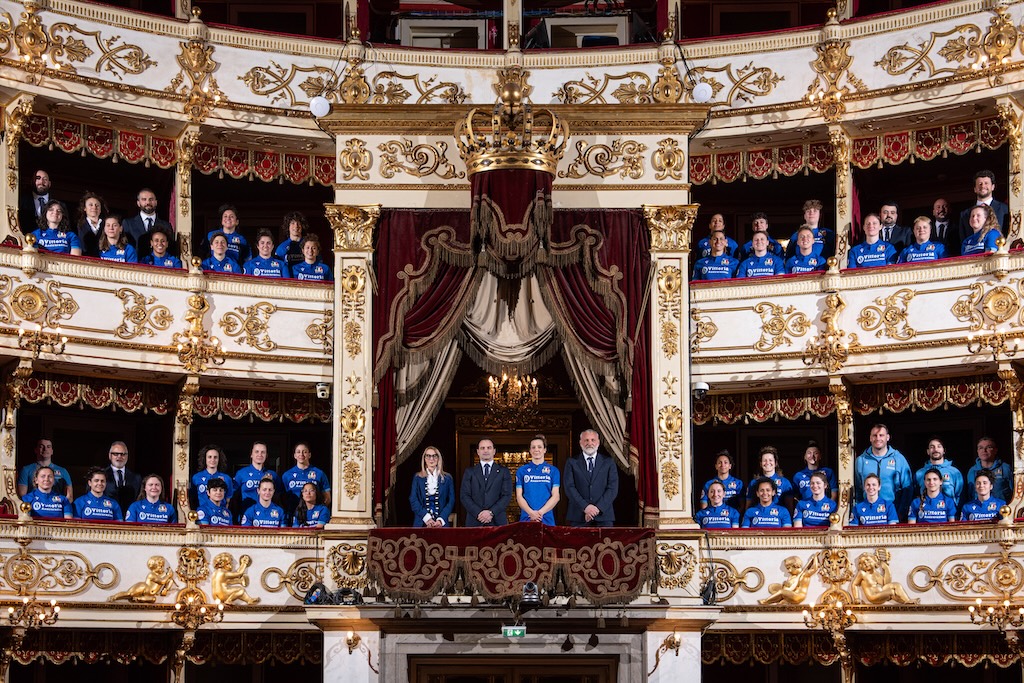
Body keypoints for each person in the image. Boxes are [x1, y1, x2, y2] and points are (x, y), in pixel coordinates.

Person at [854, 423, 913, 519]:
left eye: (881, 435)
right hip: (867, 514)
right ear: (870, 438)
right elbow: (858, 488)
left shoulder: (898, 459)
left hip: (892, 511)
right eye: (874, 435)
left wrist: (901, 512)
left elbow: (908, 488)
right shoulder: (861, 460)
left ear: (888, 437)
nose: (878, 438)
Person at [563, 429, 618, 527]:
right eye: (586, 440)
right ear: (580, 443)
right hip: (578, 516)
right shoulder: (571, 462)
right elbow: (569, 487)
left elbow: (612, 488)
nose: (590, 443)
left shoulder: (609, 462)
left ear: (598, 442)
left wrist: (597, 508)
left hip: (604, 516)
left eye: (593, 440)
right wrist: (586, 507)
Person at [459, 438, 512, 527]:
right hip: (474, 521)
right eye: (482, 448)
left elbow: (507, 495)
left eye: (489, 448)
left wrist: (491, 512)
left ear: (494, 451)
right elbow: (464, 495)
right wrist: (479, 513)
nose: (486, 450)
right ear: (478, 451)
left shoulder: (504, 471)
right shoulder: (469, 472)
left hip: (497, 521)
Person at [515, 434, 560, 525]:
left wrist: (540, 513)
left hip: (546, 517)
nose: (536, 449)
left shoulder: (553, 471)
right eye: (533, 447)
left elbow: (556, 496)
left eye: (539, 447)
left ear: (544, 450)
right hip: (527, 517)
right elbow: (519, 496)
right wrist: (531, 513)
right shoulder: (521, 471)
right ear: (530, 450)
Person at [958, 169, 1009, 242]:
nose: (983, 186)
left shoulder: (1005, 209)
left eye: (986, 183)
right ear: (975, 189)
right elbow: (963, 240)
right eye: (980, 184)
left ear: (993, 187)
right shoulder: (965, 214)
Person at [409, 446, 455, 527]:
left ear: (438, 458)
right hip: (421, 522)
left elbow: (451, 500)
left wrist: (441, 519)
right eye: (428, 456)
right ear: (424, 459)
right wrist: (427, 518)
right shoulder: (417, 477)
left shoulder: (447, 478)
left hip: (441, 523)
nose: (431, 459)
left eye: (434, 456)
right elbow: (413, 499)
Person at [281, 442, 332, 513]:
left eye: (304, 452)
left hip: (313, 516)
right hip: (293, 515)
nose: (301, 454)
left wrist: (319, 511)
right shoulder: (287, 475)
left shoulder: (319, 473)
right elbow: (282, 497)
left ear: (309, 455)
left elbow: (327, 498)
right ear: (295, 455)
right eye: (298, 452)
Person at [122, 188, 172, 256]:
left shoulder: (166, 225)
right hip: (135, 264)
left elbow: (170, 250)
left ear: (156, 202)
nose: (148, 203)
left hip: (159, 265)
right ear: (138, 203)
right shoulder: (128, 223)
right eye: (144, 199)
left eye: (151, 199)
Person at [913, 438, 963, 503]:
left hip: (949, 511)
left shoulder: (955, 472)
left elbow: (960, 495)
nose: (935, 449)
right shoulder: (919, 473)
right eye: (932, 447)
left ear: (944, 450)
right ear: (928, 451)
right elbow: (916, 494)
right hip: (926, 511)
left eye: (939, 446)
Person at [966, 437, 1013, 504]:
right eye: (981, 448)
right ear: (977, 451)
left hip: (1002, 510)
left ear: (995, 450)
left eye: (988, 447)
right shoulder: (972, 471)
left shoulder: (1005, 468)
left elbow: (1015, 491)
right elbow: (970, 494)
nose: (984, 450)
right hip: (980, 511)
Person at [234, 441, 280, 509]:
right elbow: (233, 496)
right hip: (246, 513)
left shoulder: (273, 475)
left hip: (266, 515)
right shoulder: (241, 473)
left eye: (263, 452)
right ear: (251, 454)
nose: (260, 454)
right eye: (257, 451)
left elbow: (279, 496)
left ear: (266, 455)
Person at [103, 441, 141, 513]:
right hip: (107, 516)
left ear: (127, 456)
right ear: (109, 456)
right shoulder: (101, 476)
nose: (119, 456)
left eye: (123, 454)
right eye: (116, 454)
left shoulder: (136, 478)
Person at [75, 191, 107, 257]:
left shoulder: (107, 225)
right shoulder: (78, 225)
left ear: (100, 209)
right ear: (84, 208)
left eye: (97, 205)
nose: (94, 207)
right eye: (90, 205)